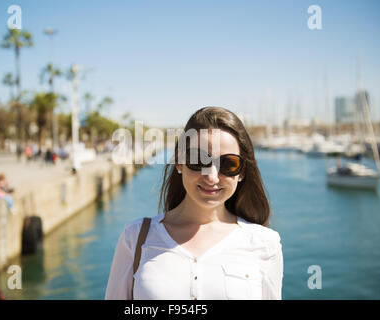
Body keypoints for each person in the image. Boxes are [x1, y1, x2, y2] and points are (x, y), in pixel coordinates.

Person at [105, 106, 283, 300]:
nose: (212, 176)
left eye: (228, 164)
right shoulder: (135, 237)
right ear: (179, 162)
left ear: (242, 172)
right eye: (199, 160)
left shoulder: (265, 244)